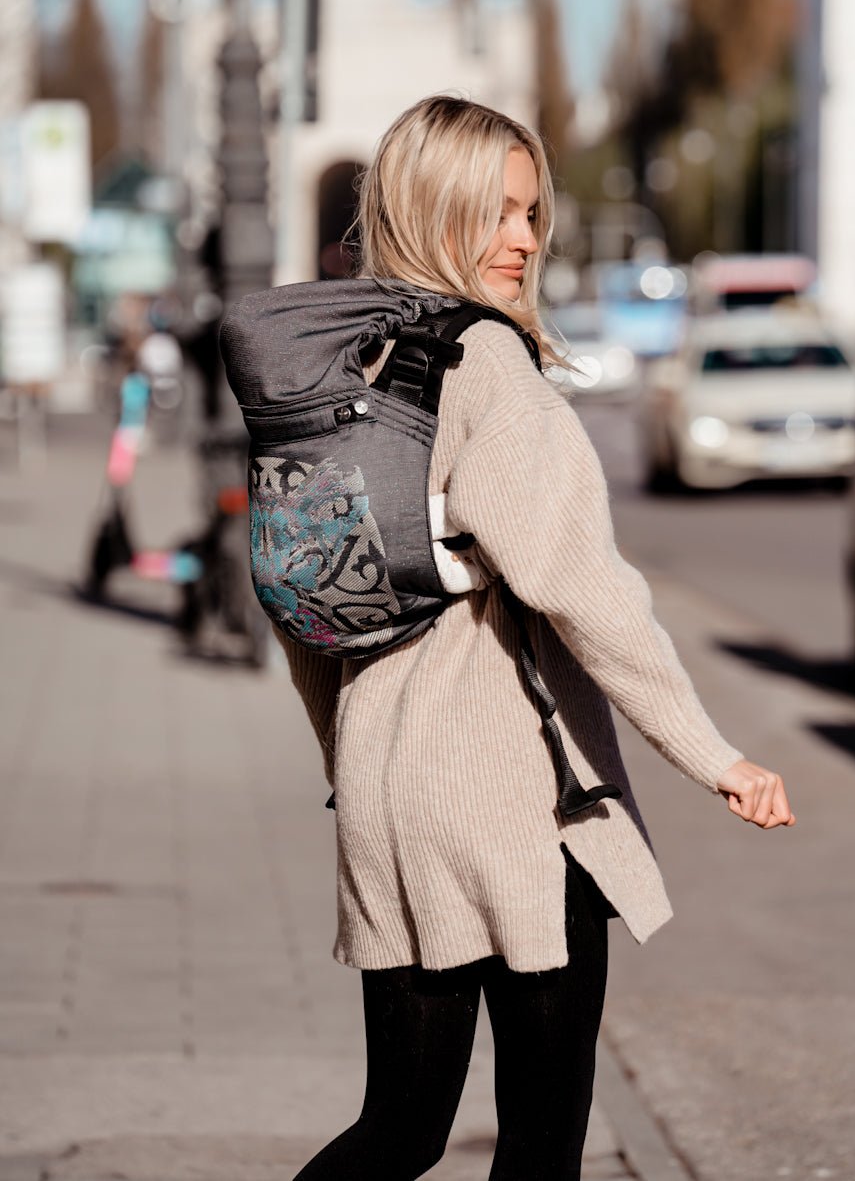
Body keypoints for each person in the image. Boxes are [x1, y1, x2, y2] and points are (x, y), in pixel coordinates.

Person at [276, 96, 795, 1181]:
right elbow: (588, 595)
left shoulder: (347, 367)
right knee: (542, 1141)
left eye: (529, 212)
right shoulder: (492, 372)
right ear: (430, 209)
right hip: (516, 802)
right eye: (494, 213)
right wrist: (714, 755)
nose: (522, 238)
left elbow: (307, 601)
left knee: (400, 1127)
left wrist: (349, 756)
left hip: (389, 794)